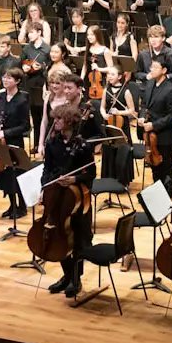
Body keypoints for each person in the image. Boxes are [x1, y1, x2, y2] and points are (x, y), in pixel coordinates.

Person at [43, 103, 97, 298]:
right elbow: (47, 169)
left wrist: (74, 179)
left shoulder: (82, 145)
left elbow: (91, 173)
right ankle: (66, 276)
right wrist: (44, 188)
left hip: (77, 199)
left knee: (78, 240)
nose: (55, 122)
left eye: (58, 119)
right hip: (57, 196)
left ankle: (76, 279)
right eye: (54, 118)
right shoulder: (52, 143)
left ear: (69, 122)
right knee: (59, 237)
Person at [0, 67, 30, 220]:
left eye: (9, 78)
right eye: (4, 77)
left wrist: (6, 132)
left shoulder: (22, 100)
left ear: (17, 81)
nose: (5, 80)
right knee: (4, 175)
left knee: (17, 174)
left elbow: (26, 126)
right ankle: (12, 205)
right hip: (0, 142)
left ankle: (22, 207)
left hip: (14, 141)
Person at [139, 57, 172, 193]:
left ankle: (167, 196)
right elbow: (144, 105)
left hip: (164, 136)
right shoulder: (150, 84)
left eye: (155, 67)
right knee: (154, 167)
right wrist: (142, 117)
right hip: (150, 135)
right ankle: (157, 194)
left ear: (164, 70)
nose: (151, 70)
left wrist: (154, 125)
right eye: (151, 67)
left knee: (165, 167)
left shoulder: (170, 89)